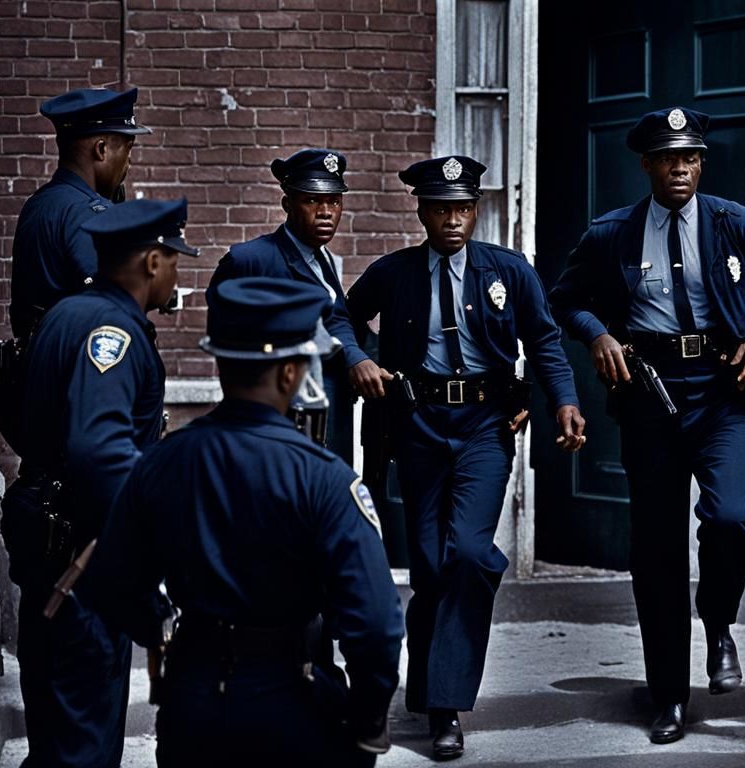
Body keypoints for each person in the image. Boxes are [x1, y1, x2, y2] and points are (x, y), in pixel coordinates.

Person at [548, 107, 745, 744]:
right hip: (649, 396)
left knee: (732, 518)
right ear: (646, 164)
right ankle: (668, 696)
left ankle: (717, 621)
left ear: (701, 162)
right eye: (667, 157)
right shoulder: (613, 234)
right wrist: (598, 334)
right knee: (656, 548)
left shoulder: (736, 224)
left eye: (690, 157)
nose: (679, 167)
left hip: (723, 390)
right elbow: (564, 299)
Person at [86, 276, 404, 766]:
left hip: (193, 699)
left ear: (221, 363)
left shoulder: (162, 463)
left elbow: (114, 582)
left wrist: (160, 627)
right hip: (290, 696)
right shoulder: (324, 479)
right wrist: (365, 721)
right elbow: (378, 627)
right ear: (288, 374)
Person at [346, 155, 586, 760]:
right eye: (441, 209)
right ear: (422, 211)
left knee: (472, 553)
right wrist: (359, 358)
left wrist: (562, 402)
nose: (453, 221)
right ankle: (429, 690)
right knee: (429, 565)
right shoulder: (394, 273)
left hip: (486, 423)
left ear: (475, 210)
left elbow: (546, 340)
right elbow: (341, 317)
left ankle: (446, 706)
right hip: (419, 424)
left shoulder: (508, 270)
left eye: (463, 208)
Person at [0, 198, 198, 768]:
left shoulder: (66, 313)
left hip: (50, 546)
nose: (178, 273)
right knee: (85, 743)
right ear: (152, 261)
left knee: (57, 734)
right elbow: (101, 453)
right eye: (175, 259)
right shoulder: (114, 334)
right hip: (83, 561)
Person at [0, 87, 151, 449]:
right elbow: (115, 305)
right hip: (80, 402)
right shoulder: (88, 214)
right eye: (128, 149)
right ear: (101, 150)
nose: (128, 164)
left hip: (40, 396)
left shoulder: (41, 205)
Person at [209, 148, 364, 459]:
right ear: (287, 204)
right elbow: (225, 337)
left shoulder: (322, 259)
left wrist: (356, 357)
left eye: (334, 202)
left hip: (329, 416)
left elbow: (335, 318)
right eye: (311, 200)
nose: (325, 212)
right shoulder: (251, 259)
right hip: (278, 419)